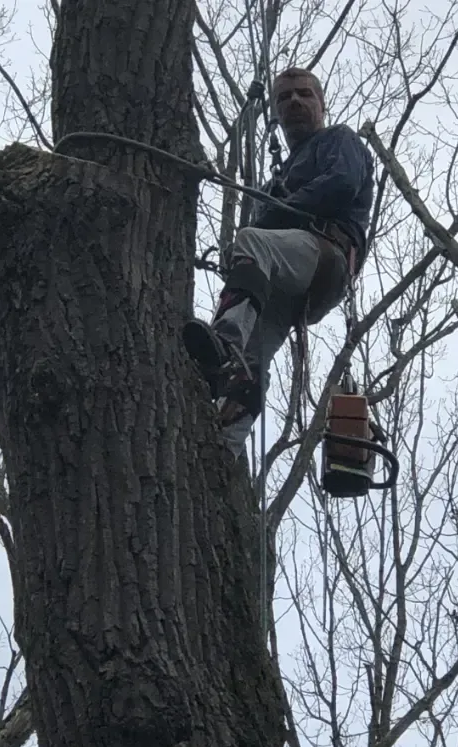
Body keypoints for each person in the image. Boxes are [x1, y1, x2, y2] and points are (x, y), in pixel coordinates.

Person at [183, 67, 374, 459]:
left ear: (321, 102)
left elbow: (342, 183)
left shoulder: (340, 140)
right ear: (274, 111)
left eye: (305, 94)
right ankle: (223, 451)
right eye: (284, 98)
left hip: (327, 255)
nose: (295, 103)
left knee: (253, 241)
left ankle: (223, 344)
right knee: (252, 358)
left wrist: (279, 210)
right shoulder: (280, 177)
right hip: (295, 275)